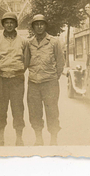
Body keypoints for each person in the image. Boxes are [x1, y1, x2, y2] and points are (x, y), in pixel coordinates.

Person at [0, 12, 29, 146]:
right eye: (6, 22)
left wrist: (16, 71)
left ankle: (19, 137)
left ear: (16, 24)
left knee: (18, 108)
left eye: (12, 22)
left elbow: (26, 60)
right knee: (0, 108)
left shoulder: (24, 41)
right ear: (3, 24)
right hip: (0, 78)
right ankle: (0, 137)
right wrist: (1, 68)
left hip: (17, 78)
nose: (9, 24)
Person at [27, 14, 65, 146]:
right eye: (36, 24)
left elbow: (60, 62)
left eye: (41, 24)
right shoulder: (29, 43)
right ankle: (38, 138)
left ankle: (53, 138)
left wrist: (54, 77)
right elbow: (25, 61)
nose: (39, 26)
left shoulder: (54, 42)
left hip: (50, 83)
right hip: (33, 83)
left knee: (52, 111)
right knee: (34, 112)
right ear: (33, 27)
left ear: (45, 25)